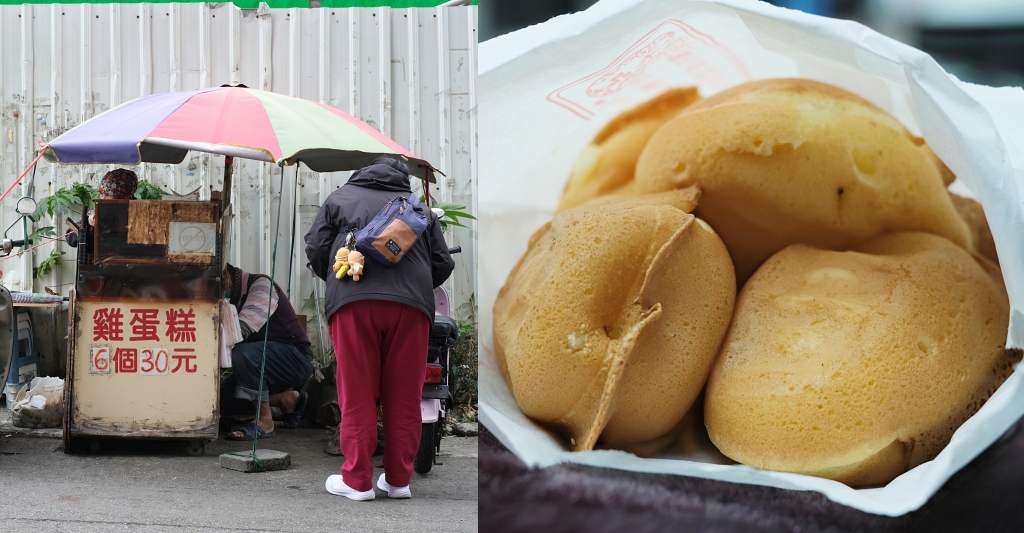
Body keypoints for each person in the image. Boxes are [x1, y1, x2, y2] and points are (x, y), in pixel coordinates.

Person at [305, 156, 454, 501]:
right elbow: (442, 264)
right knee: (404, 394)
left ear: (363, 175)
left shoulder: (339, 199)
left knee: (357, 391)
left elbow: (316, 248)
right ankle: (399, 481)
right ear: (403, 180)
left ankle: (358, 481)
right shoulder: (418, 209)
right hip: (411, 310)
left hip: (354, 303)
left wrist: (336, 274)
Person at [220, 262, 314, 440]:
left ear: (226, 276)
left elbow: (240, 331)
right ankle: (284, 400)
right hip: (263, 365)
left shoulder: (262, 285)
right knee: (218, 402)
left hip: (295, 359)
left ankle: (265, 422)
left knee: (242, 352)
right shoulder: (234, 298)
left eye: (218, 287)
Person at [65, 168, 138, 248]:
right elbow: (71, 238)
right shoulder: (97, 212)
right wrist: (90, 227)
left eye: (107, 194)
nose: (102, 198)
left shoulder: (140, 214)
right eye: (101, 193)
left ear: (123, 197)